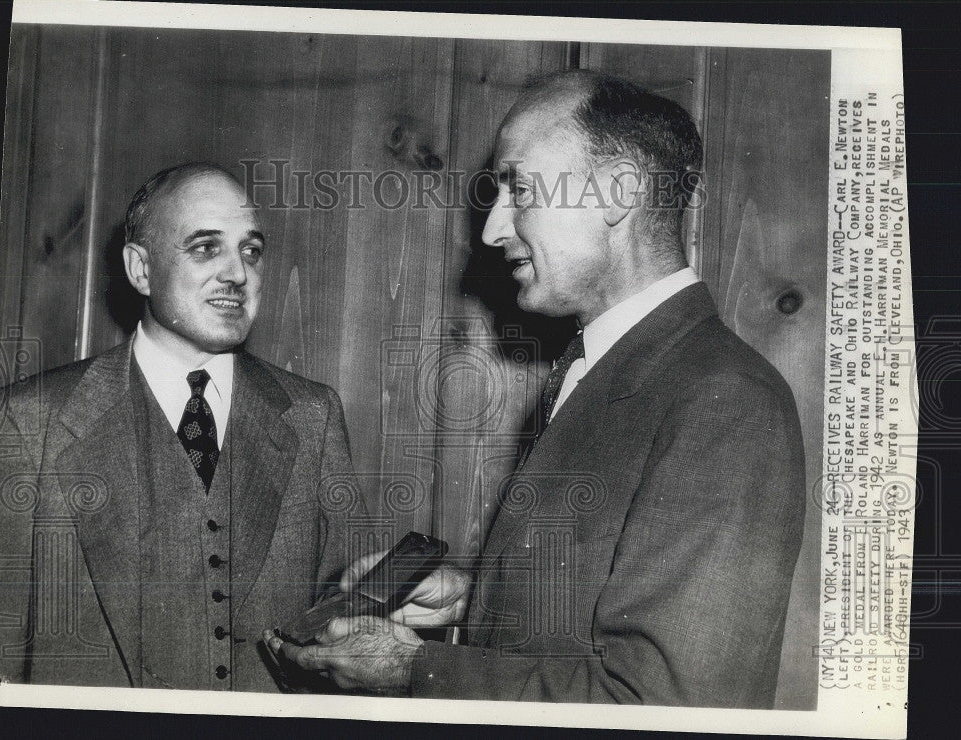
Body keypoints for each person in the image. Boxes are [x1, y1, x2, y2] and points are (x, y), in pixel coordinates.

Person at [266, 70, 806, 708]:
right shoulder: (610, 368)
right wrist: (476, 600)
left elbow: (663, 703)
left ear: (617, 193)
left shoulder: (727, 401)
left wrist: (413, 670)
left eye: (519, 187)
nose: (493, 229)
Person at [0, 163, 356, 692]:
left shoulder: (312, 415)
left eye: (251, 251)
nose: (237, 273)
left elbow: (345, 633)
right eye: (206, 247)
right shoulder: (29, 422)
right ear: (140, 269)